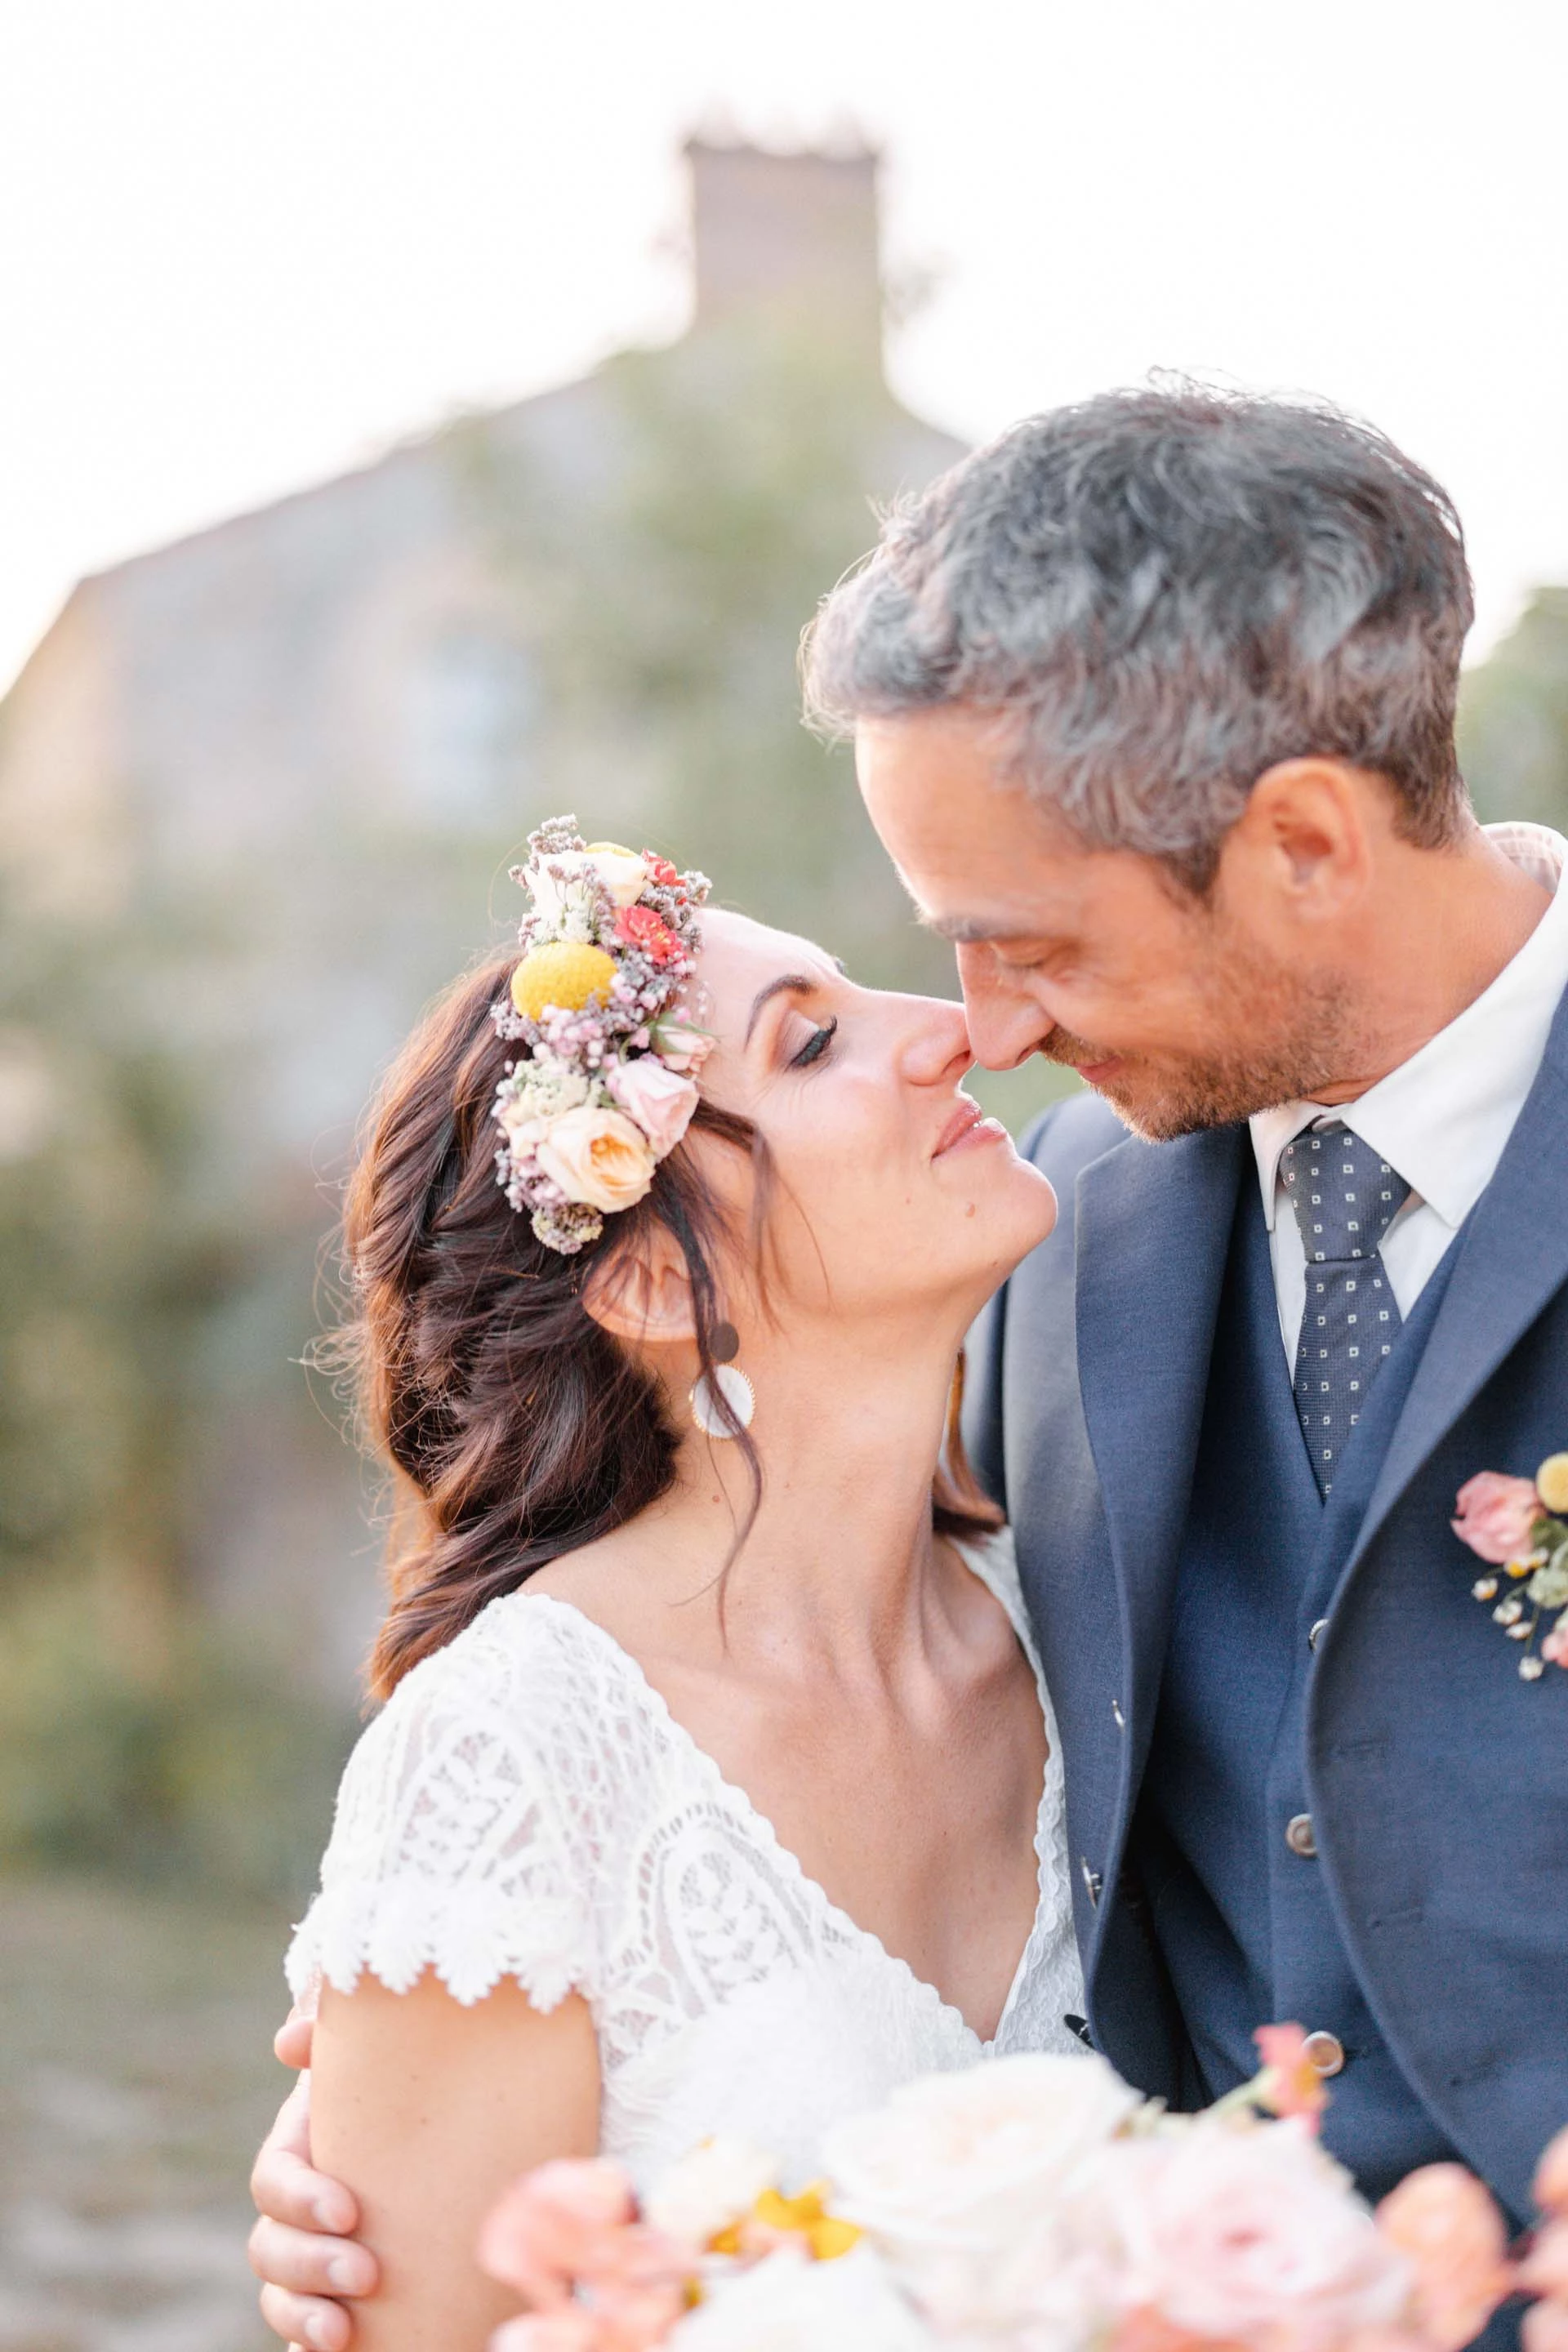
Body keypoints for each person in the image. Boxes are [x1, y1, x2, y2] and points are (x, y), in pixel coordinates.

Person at [252, 386, 1568, 2341]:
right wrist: (445, 2116)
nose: (980, 1034)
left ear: (1301, 841)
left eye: (1023, 941)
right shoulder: (1072, 1248)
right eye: (919, 963)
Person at [248, 822, 1084, 2350]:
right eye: (816, 1040)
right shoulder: (508, 1757)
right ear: (647, 1282)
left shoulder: (1082, 1627)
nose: (951, 1030)